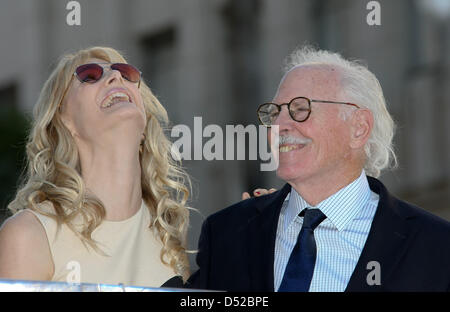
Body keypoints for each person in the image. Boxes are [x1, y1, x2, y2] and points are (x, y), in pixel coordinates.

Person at [187, 45, 450, 292]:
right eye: (274, 112)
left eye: (300, 109)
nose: (280, 125)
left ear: (358, 128)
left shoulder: (436, 246)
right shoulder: (227, 233)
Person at [0, 47, 192, 288]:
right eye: (89, 75)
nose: (116, 77)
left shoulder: (168, 233)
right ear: (64, 121)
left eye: (126, 72)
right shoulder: (30, 235)